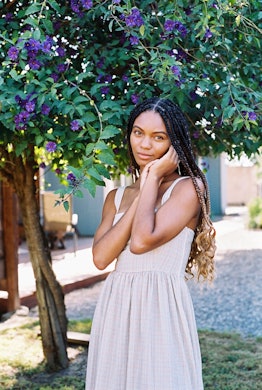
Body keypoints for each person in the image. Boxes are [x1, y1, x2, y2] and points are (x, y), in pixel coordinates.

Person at [85, 97, 216, 390]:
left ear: (175, 144)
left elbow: (142, 241)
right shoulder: (116, 197)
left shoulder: (190, 187)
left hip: (160, 306)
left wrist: (154, 177)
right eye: (138, 132)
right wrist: (144, 188)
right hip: (117, 304)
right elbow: (101, 258)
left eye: (159, 137)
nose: (145, 145)